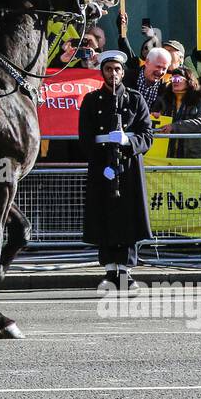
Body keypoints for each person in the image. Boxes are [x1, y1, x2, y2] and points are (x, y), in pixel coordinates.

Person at [79, 50, 153, 292]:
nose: (113, 74)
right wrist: (101, 151)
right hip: (102, 163)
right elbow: (84, 137)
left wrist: (126, 143)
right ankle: (110, 269)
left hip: (128, 165)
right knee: (104, 214)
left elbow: (147, 136)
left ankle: (125, 271)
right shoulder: (91, 100)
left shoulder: (135, 99)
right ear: (102, 71)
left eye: (117, 69)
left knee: (127, 215)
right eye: (109, 69)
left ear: (123, 72)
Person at [151, 66, 201, 159]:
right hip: (166, 155)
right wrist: (156, 116)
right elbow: (153, 119)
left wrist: (174, 126)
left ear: (188, 81)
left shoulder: (197, 101)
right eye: (172, 78)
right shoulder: (163, 100)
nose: (174, 81)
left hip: (191, 155)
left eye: (178, 78)